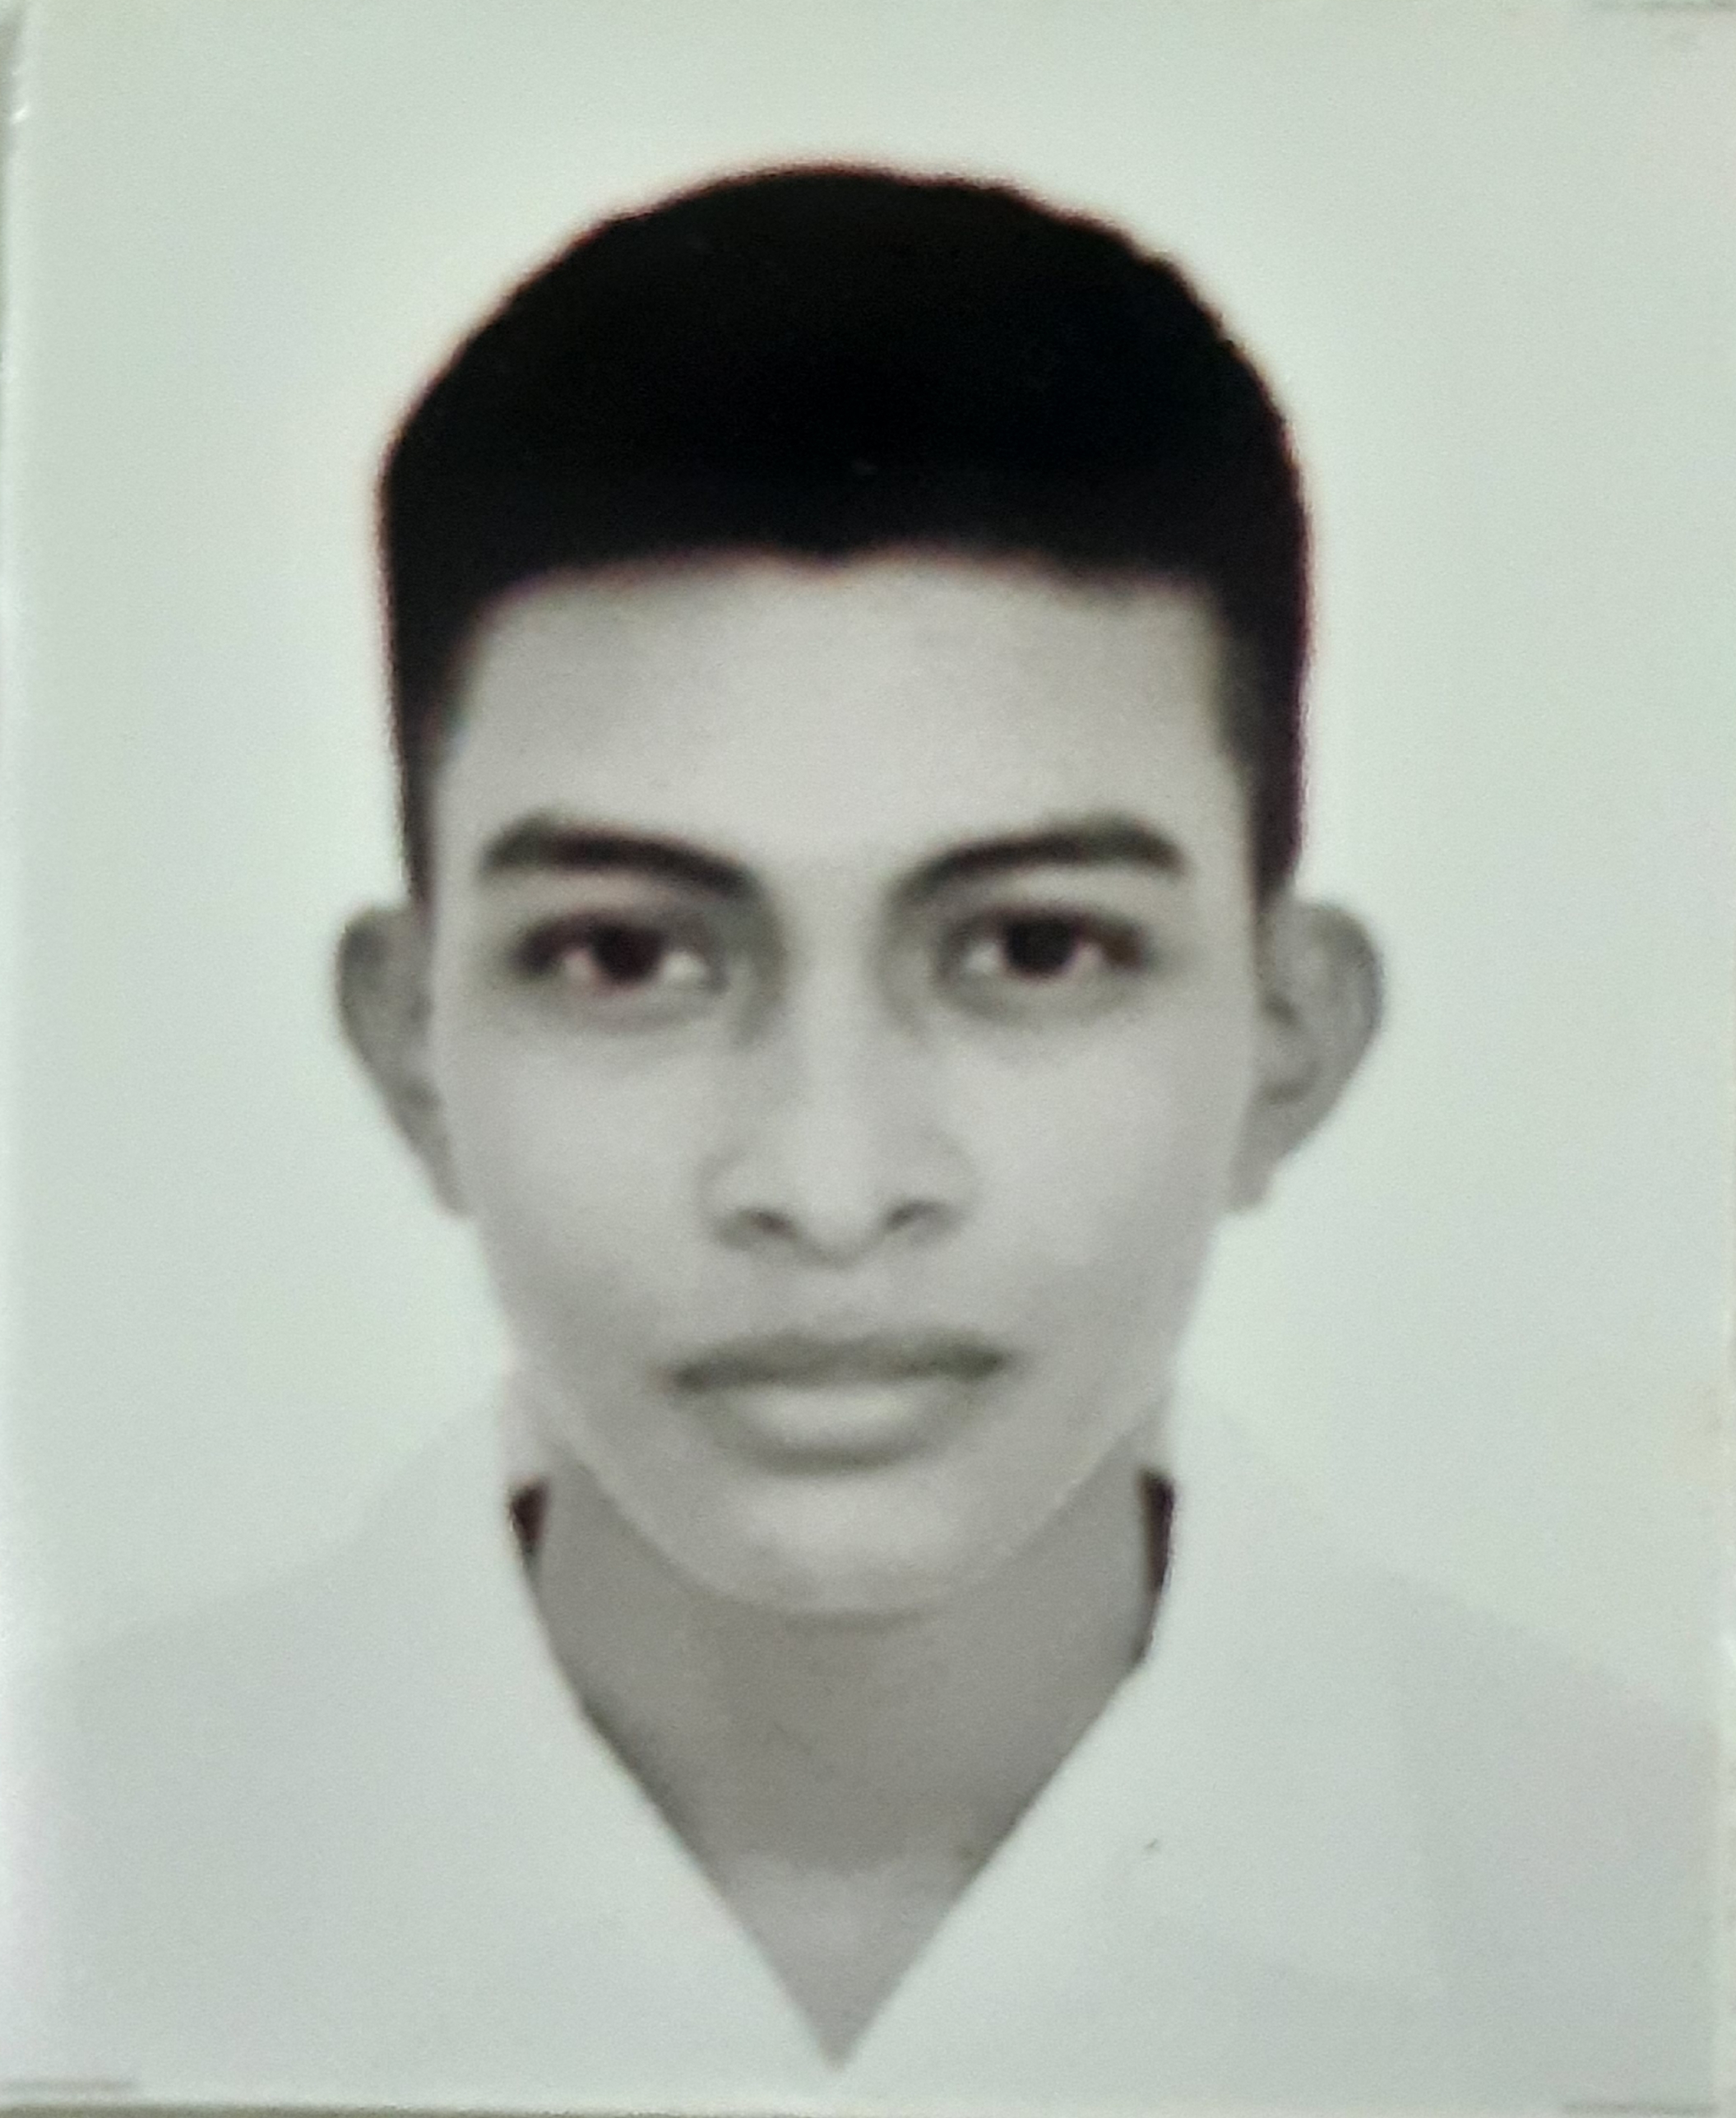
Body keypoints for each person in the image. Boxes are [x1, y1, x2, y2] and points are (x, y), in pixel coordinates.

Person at [2, 167, 1715, 2111]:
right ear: (411, 1051)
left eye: (1034, 947)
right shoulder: (49, 1898)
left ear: (1290, 1040)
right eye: (626, 954)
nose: (828, 1187)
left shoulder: (1663, 1933)